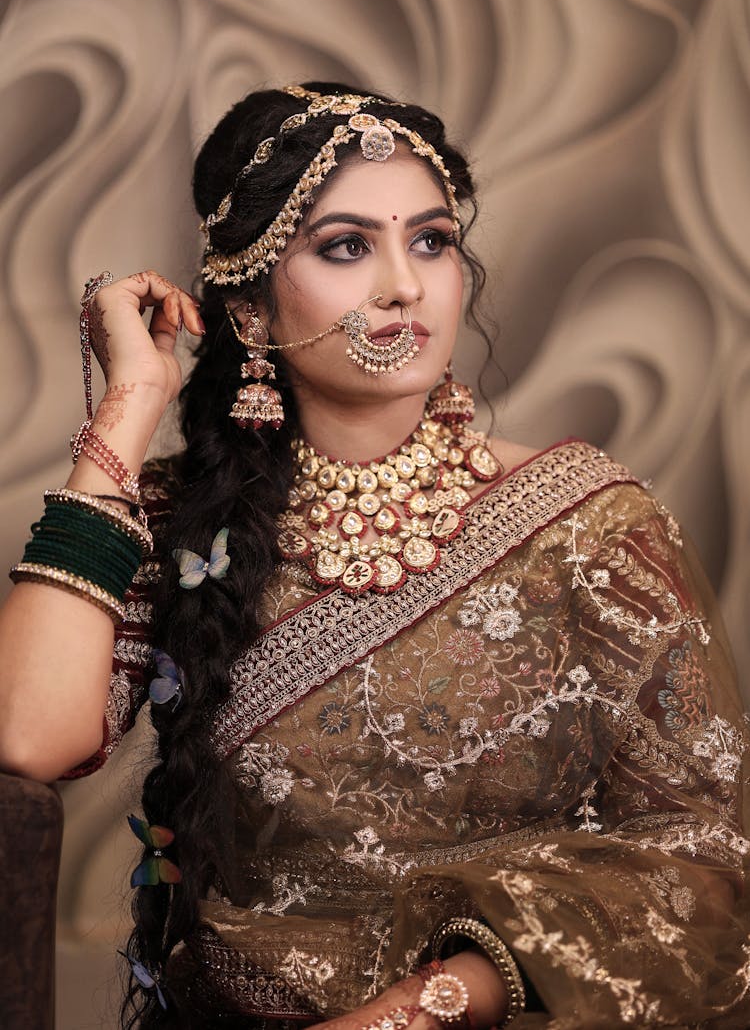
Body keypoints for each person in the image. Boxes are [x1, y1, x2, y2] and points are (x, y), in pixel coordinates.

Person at [1, 82, 748, 1030]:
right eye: (348, 246)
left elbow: (699, 858)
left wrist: (427, 1006)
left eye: (431, 240)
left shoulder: (589, 524)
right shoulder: (178, 523)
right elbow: (29, 734)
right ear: (251, 312)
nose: (405, 284)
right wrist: (130, 400)